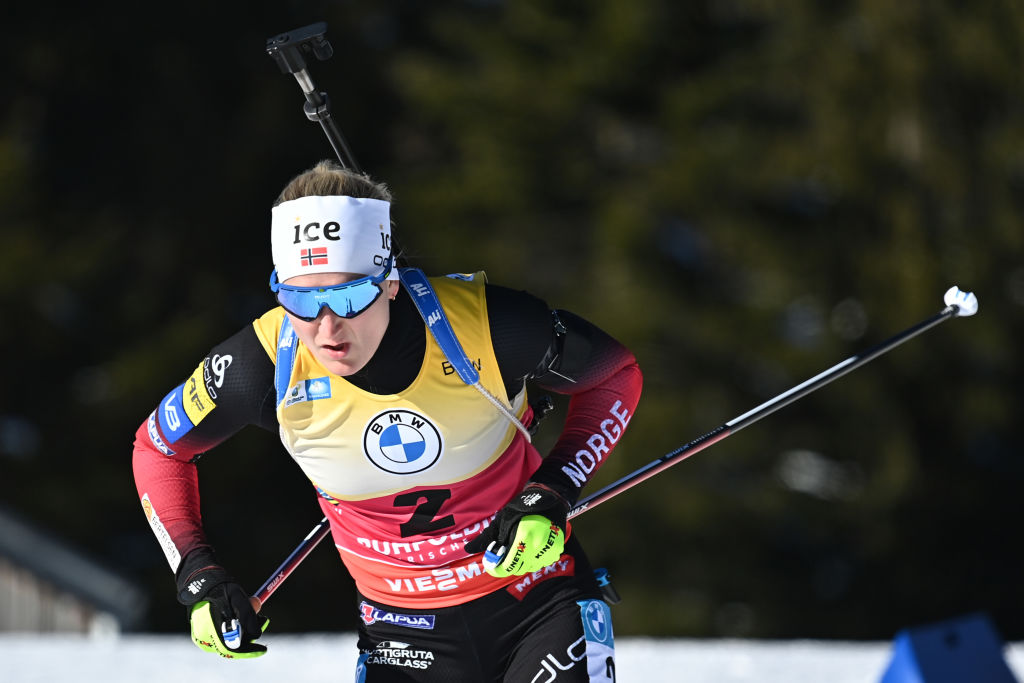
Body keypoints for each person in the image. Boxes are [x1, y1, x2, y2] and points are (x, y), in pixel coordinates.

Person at [132, 159, 643, 682]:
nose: (327, 328)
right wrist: (197, 571)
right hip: (402, 635)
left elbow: (614, 375)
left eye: (348, 296)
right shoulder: (258, 366)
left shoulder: (488, 328)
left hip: (538, 604)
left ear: (391, 281)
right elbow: (158, 448)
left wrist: (553, 490)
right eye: (299, 300)